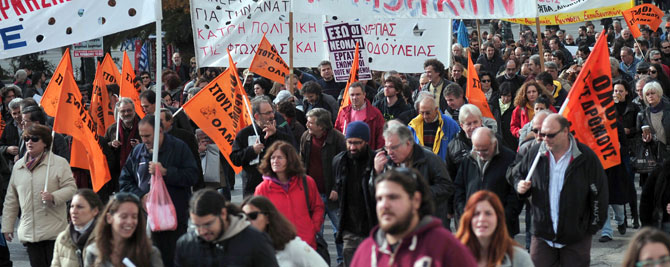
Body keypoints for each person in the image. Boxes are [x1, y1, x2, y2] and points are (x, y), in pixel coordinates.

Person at [511, 114, 608, 266]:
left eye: (550, 135)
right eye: (542, 134)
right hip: (542, 234)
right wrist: (519, 185)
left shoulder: (586, 157)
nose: (545, 139)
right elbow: (516, 173)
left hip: (576, 236)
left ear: (565, 131)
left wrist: (592, 226)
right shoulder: (536, 153)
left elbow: (599, 193)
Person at [351, 168, 477, 266]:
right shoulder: (366, 251)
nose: (384, 205)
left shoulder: (446, 248)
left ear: (416, 200)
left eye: (393, 197)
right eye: (379, 199)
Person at [118, 115, 199, 267]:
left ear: (160, 131)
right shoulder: (138, 152)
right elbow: (124, 181)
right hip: (145, 220)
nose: (144, 140)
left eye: (148, 136)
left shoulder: (179, 148)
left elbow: (192, 176)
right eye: (141, 136)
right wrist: (140, 197)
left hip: (173, 220)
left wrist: (167, 172)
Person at [2, 124, 77, 267]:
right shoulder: (18, 166)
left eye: (34, 138)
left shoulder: (59, 163)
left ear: (45, 143)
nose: (29, 142)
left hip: (54, 232)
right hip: (30, 232)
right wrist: (7, 226)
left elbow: (71, 188)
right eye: (26, 138)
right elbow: (11, 199)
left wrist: (54, 196)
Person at [374, 120, 453, 229]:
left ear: (408, 143)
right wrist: (376, 173)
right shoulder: (387, 163)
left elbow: (446, 187)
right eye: (387, 148)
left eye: (393, 147)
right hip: (401, 226)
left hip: (429, 224)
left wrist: (418, 195)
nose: (389, 152)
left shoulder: (429, 159)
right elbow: (375, 194)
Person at [175, 189, 279, 267]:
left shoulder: (256, 241)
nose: (202, 231)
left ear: (223, 214)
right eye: (196, 226)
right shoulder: (186, 245)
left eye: (208, 224)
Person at [254, 141, 325, 249]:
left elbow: (318, 207)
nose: (275, 161)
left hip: (306, 244)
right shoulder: (262, 189)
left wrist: (312, 228)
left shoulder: (307, 182)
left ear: (290, 160)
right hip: (278, 248)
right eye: (272, 158)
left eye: (280, 158)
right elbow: (256, 218)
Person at [299, 107, 345, 264]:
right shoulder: (306, 137)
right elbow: (301, 162)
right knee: (314, 233)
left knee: (339, 232)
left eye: (311, 122)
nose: (307, 125)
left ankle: (341, 262)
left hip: (333, 195)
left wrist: (336, 188)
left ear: (322, 126)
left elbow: (344, 167)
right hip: (313, 195)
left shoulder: (338, 139)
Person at [454, 127, 520, 236]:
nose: (480, 154)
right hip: (473, 223)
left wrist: (505, 217)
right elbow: (459, 188)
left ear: (494, 143)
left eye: (484, 150)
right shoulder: (469, 158)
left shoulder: (510, 158)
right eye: (477, 149)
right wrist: (464, 213)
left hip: (502, 227)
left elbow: (515, 193)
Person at [332, 121, 378, 266]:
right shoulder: (339, 161)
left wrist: (378, 172)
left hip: (372, 228)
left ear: (366, 141)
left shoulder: (376, 162)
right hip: (349, 229)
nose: (352, 147)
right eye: (349, 142)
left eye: (357, 143)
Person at [242, 196, 327, 267]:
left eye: (253, 216)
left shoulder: (292, 246)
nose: (248, 222)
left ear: (267, 218)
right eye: (243, 218)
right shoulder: (240, 248)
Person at [231, 97, 291, 197]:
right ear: (257, 116)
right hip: (253, 189)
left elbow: (292, 149)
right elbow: (235, 159)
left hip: (277, 186)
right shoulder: (244, 134)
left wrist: (276, 134)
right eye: (267, 113)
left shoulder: (281, 129)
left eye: (272, 112)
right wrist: (252, 150)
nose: (272, 116)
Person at [456, 190, 533, 267]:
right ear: (468, 219)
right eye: (476, 214)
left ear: (498, 218)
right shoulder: (453, 255)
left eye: (488, 213)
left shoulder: (520, 259)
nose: (482, 219)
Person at [84, 192, 163, 267]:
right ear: (109, 218)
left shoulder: (150, 253)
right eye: (124, 216)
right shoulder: (93, 252)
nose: (129, 222)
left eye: (134, 217)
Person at [52, 189, 104, 267]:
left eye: (80, 207)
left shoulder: (106, 238)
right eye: (72, 206)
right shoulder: (62, 239)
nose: (74, 211)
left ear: (95, 211)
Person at [408, 92, 460, 161]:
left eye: (427, 113)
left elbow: (458, 149)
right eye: (422, 113)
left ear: (436, 109)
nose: (425, 116)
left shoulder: (451, 125)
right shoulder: (413, 125)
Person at [334, 81, 385, 150]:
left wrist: (376, 154)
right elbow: (337, 133)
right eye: (352, 95)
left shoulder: (375, 113)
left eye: (358, 94)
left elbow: (381, 137)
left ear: (364, 95)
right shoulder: (343, 112)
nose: (355, 97)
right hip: (348, 154)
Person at [638, 81, 670, 163]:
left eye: (652, 93)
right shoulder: (642, 114)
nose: (650, 96)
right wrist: (645, 139)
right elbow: (637, 135)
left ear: (659, 93)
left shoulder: (668, 110)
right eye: (647, 94)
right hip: (654, 153)